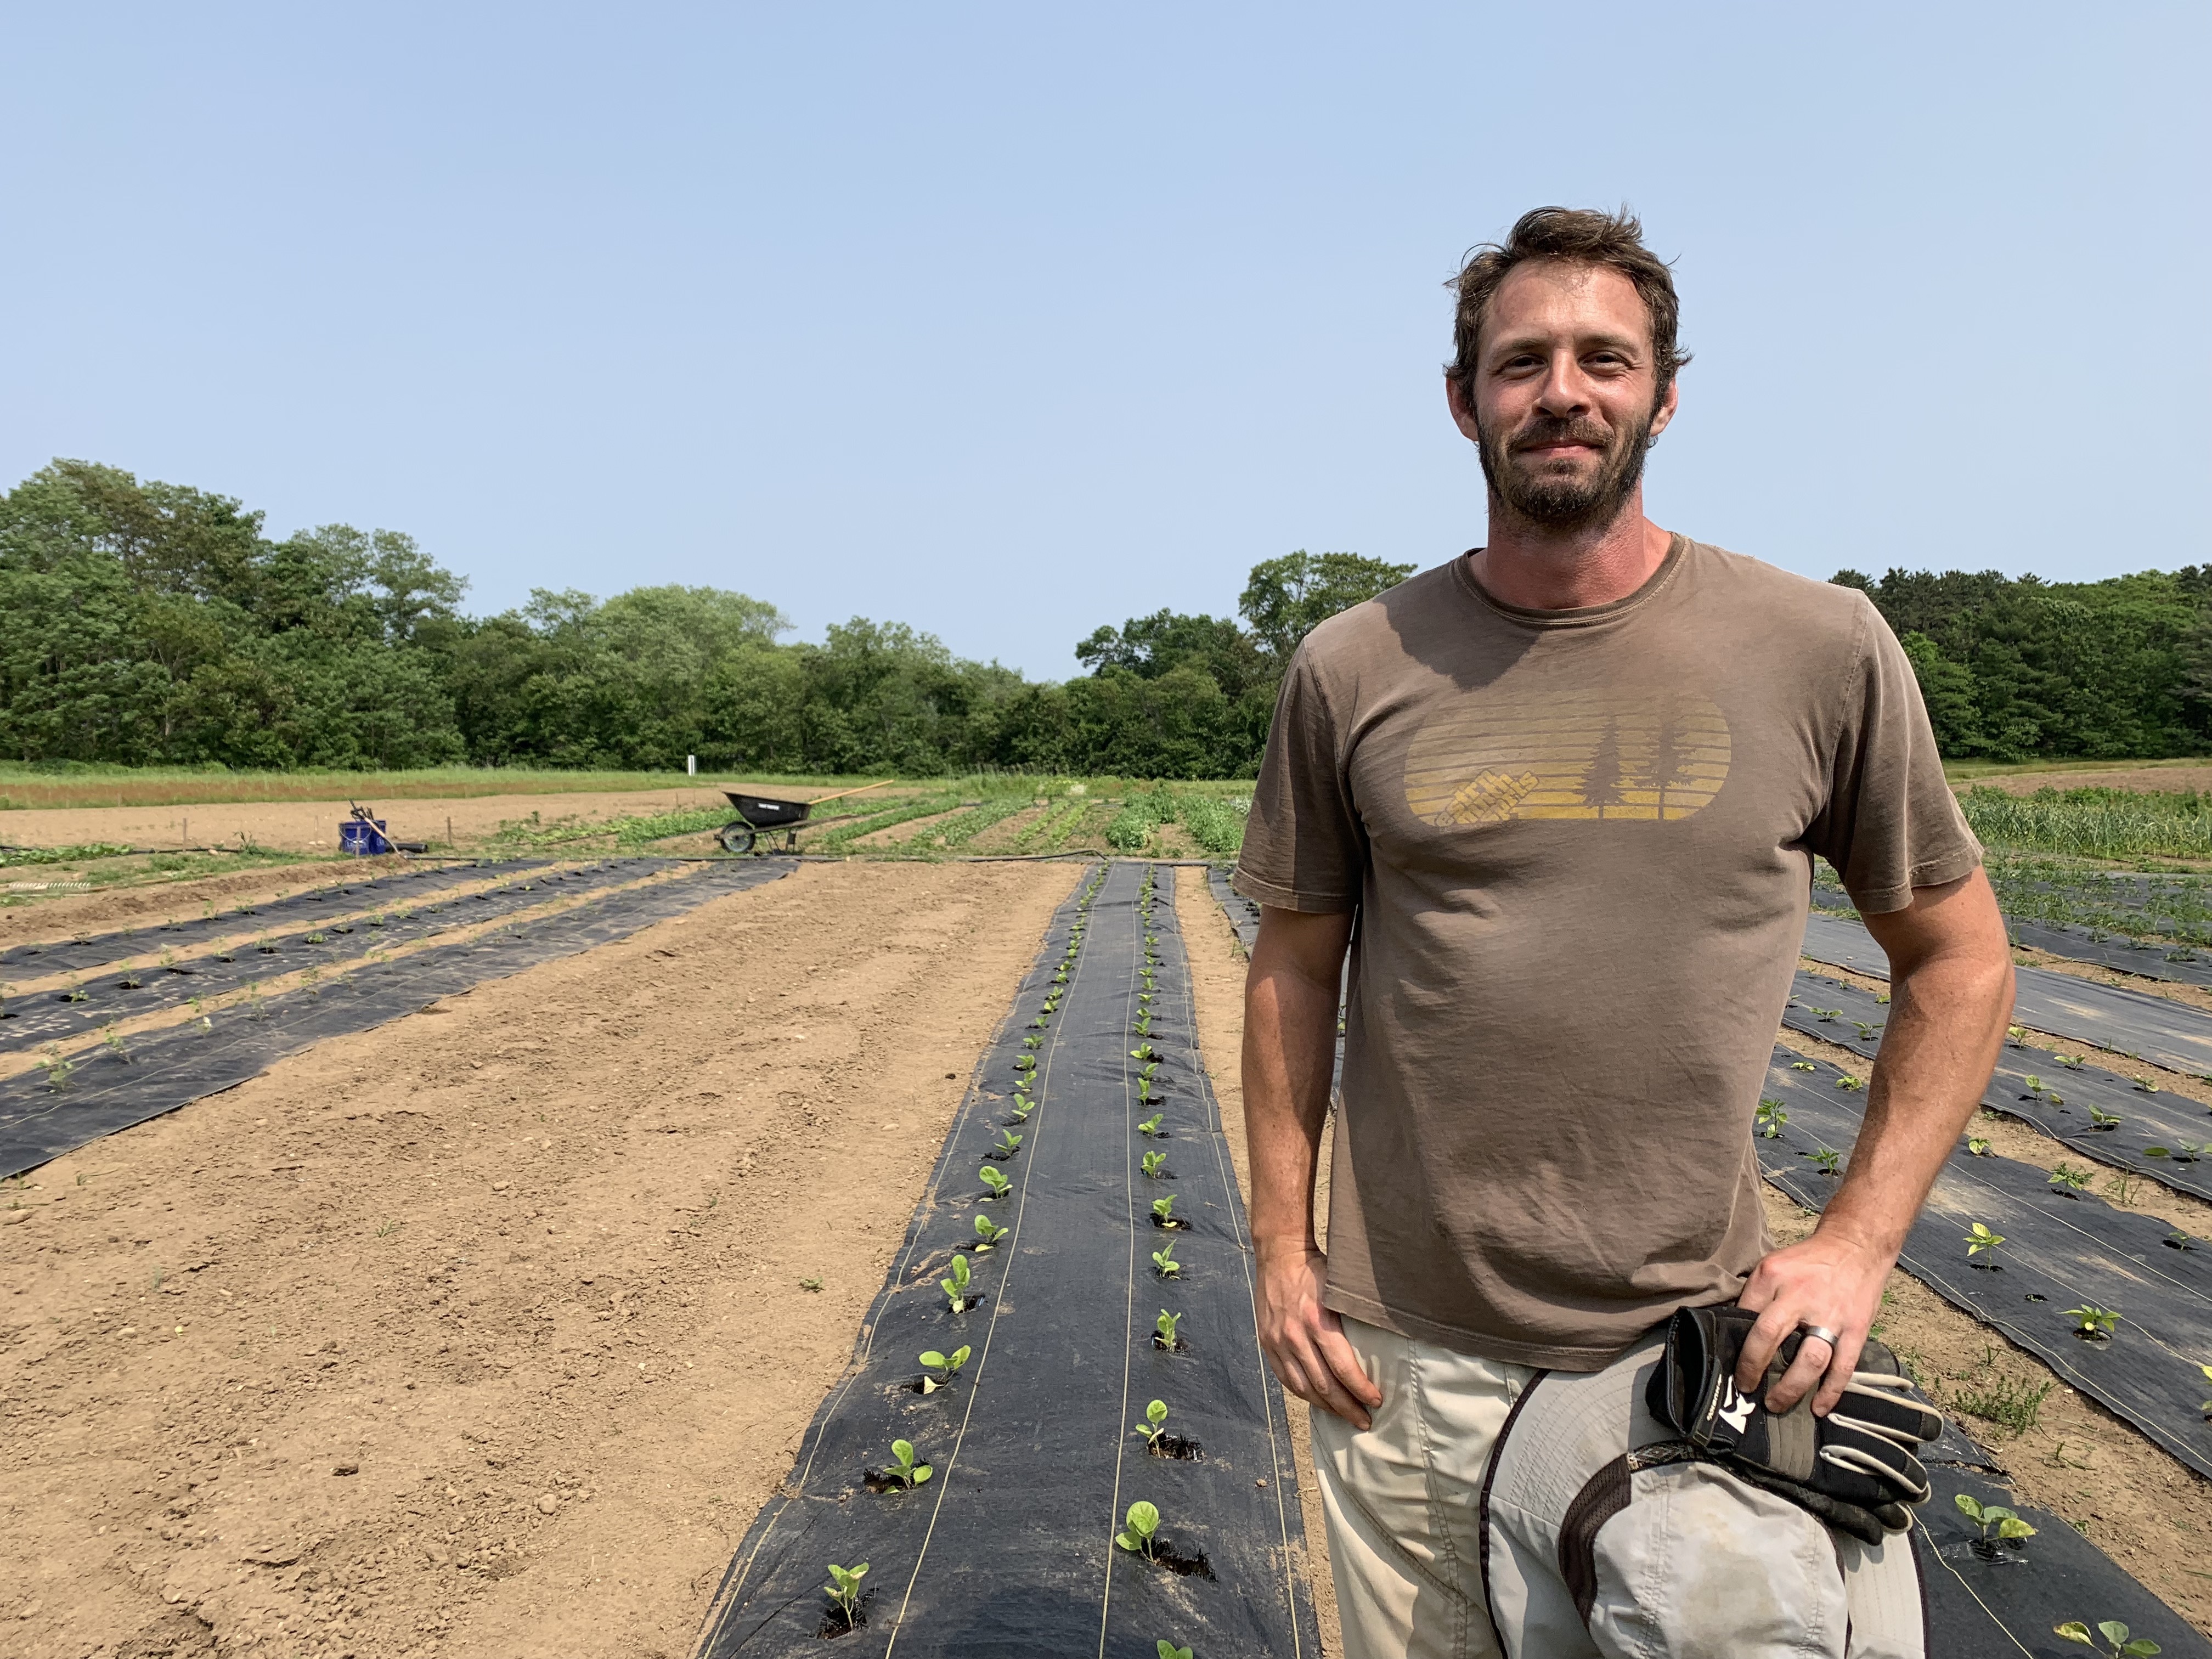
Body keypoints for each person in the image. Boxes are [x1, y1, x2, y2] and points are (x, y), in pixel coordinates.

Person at [1233, 206, 2016, 1657]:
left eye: (1606, 357)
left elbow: (1960, 958)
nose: (1563, 391)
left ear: (1664, 393)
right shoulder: (1353, 668)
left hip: (1691, 1348)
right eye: (1521, 361)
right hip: (1406, 1359)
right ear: (1465, 401)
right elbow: (1293, 965)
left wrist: (1855, 1246)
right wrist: (1282, 1245)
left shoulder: (1817, 648)